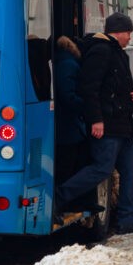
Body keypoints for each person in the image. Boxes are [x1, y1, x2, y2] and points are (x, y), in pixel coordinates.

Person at [55, 12, 133, 235]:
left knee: (132, 170)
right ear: (119, 32)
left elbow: (114, 89)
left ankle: (127, 219)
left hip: (121, 125)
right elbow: (89, 89)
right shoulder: (100, 51)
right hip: (107, 124)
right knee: (101, 168)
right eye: (128, 33)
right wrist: (96, 120)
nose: (130, 38)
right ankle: (60, 196)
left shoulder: (117, 53)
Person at [53, 35, 86, 187]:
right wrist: (87, 104)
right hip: (69, 124)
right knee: (69, 163)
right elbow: (68, 95)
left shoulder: (62, 61)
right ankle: (66, 199)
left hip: (66, 123)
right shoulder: (69, 64)